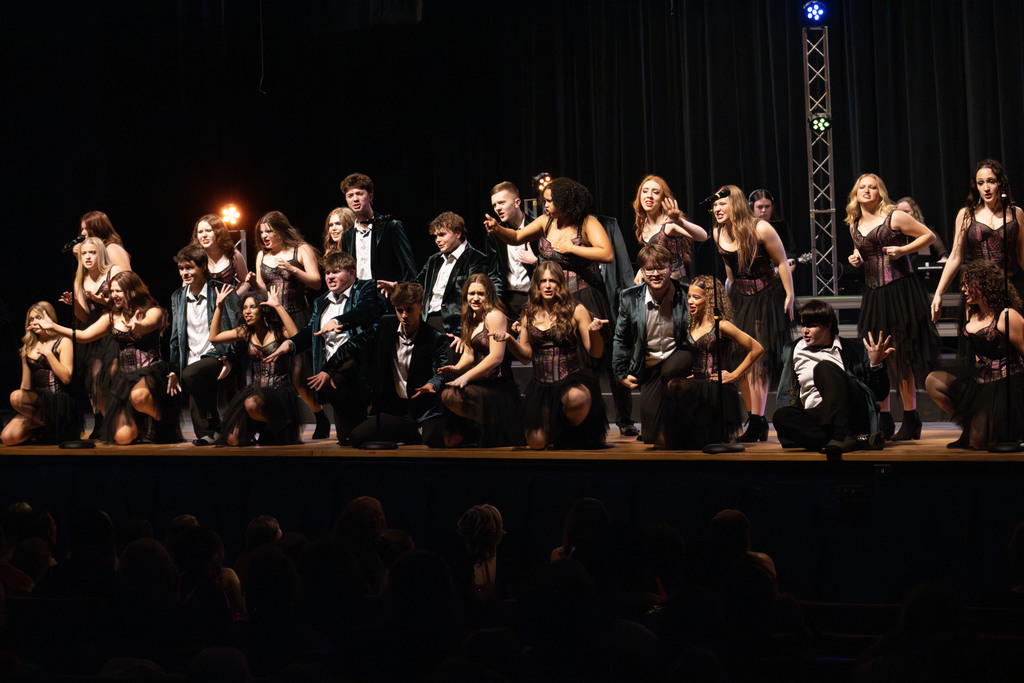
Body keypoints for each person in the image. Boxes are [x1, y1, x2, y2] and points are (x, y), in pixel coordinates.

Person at [485, 176, 635, 437]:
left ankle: (620, 420)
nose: (545, 205)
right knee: (572, 359)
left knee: (599, 359)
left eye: (550, 201)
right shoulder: (546, 222)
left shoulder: (586, 223)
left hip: (585, 294)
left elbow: (606, 254)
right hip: (555, 300)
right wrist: (497, 230)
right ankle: (568, 420)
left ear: (565, 201)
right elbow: (518, 236)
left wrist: (571, 249)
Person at [846, 173, 939, 441]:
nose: (867, 190)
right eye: (862, 187)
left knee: (901, 354)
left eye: (872, 187)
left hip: (900, 290)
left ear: (880, 192)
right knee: (877, 354)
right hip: (874, 294)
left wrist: (903, 250)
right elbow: (862, 251)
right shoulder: (854, 222)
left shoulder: (894, 217)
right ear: (856, 193)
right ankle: (884, 418)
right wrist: (856, 258)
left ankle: (911, 418)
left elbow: (928, 236)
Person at [39, 271, 182, 444]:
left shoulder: (153, 311)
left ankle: (164, 418)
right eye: (112, 291)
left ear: (133, 290)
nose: (114, 295)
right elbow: (84, 335)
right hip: (125, 377)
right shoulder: (112, 316)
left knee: (139, 397)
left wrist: (138, 325)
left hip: (149, 371)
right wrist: (53, 326)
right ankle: (139, 426)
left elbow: (148, 325)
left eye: (119, 291)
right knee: (122, 438)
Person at [264, 251, 380, 444]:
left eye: (336, 272)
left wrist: (338, 320)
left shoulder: (366, 288)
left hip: (358, 363)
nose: (330, 277)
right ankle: (360, 431)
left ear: (352, 273)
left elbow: (365, 311)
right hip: (331, 365)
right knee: (346, 438)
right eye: (327, 273)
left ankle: (369, 430)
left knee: (336, 384)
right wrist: (290, 344)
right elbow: (311, 331)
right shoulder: (322, 301)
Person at [711, 185, 795, 442]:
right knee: (739, 359)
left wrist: (790, 295)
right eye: (715, 207)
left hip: (766, 296)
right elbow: (729, 269)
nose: (717, 210)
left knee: (758, 360)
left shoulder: (760, 228)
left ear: (735, 204)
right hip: (739, 297)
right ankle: (755, 418)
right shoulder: (717, 233)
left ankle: (757, 420)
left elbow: (781, 262)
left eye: (722, 205)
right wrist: (727, 298)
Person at [496, 261, 608, 449]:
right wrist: (509, 339)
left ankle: (568, 433)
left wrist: (595, 331)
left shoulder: (576, 309)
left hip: (570, 379)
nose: (548, 285)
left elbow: (595, 352)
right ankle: (555, 433)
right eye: (543, 281)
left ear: (560, 284)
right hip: (542, 386)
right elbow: (525, 357)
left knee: (575, 399)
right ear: (537, 284)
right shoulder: (528, 312)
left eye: (553, 281)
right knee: (535, 442)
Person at [333, 282, 449, 448]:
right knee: (357, 437)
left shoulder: (434, 337)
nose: (404, 315)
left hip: (423, 410)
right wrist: (327, 370)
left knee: (433, 438)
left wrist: (432, 384)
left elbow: (441, 371)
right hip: (396, 409)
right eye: (399, 310)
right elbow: (354, 345)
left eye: (409, 310)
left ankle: (415, 432)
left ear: (421, 308)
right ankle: (409, 432)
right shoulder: (386, 328)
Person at [925, 260, 1024, 449]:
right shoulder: (972, 314)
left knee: (978, 443)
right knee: (933, 381)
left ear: (986, 284)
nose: (963, 289)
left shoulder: (1006, 316)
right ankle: (973, 424)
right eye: (962, 284)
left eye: (968, 284)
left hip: (1006, 386)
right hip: (979, 383)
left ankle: (997, 428)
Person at [773, 300, 892, 456]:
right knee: (781, 416)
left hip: (851, 413)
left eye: (811, 326)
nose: (805, 331)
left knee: (823, 368)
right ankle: (852, 439)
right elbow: (786, 390)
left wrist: (876, 365)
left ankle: (842, 433)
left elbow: (879, 394)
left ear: (828, 325)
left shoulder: (853, 349)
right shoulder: (793, 349)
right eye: (803, 325)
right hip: (818, 414)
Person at [660, 274, 763, 449]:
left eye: (696, 297)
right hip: (699, 383)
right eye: (689, 297)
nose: (690, 301)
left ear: (710, 300)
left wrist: (735, 375)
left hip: (717, 386)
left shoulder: (721, 325)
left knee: (675, 387)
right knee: (673, 385)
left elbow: (757, 348)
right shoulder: (693, 324)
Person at [247, 211, 326, 435]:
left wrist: (292, 270)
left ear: (281, 229)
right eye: (261, 232)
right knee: (274, 374)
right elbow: (263, 289)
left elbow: (317, 282)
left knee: (299, 376)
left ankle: (319, 414)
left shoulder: (300, 249)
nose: (265, 236)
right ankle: (276, 423)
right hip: (271, 319)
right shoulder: (262, 255)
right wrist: (254, 283)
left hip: (298, 315)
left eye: (269, 230)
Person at [611, 245, 693, 444]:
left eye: (661, 268)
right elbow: (621, 338)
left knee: (673, 373)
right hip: (651, 367)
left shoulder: (686, 294)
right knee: (651, 438)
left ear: (670, 268)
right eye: (649, 269)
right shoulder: (629, 298)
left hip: (679, 361)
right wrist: (620, 372)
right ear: (642, 271)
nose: (655, 274)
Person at [930, 159, 1024, 331]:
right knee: (983, 343)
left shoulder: (1016, 213)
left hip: (1011, 286)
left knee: (1014, 344)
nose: (986, 188)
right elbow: (955, 258)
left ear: (1000, 183)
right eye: (981, 183)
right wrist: (939, 293)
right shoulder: (966, 215)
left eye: (991, 181)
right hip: (978, 291)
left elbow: (1022, 256)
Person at [167, 244, 241, 446]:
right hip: (192, 358)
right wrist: (173, 369)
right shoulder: (177, 297)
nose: (185, 273)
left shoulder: (223, 289)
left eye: (190, 268)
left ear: (203, 267)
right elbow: (175, 336)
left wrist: (230, 357)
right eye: (182, 268)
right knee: (190, 375)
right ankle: (210, 432)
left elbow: (238, 326)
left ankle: (215, 428)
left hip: (218, 354)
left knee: (192, 374)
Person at [209, 287, 301, 446]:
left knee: (251, 404)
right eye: (244, 307)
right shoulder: (246, 332)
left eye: (252, 306)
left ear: (263, 309)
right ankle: (265, 429)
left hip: (278, 392)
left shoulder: (278, 331)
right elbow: (214, 336)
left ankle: (283, 423)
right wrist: (219, 307)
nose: (247, 311)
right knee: (233, 440)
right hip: (256, 390)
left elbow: (296, 337)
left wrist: (278, 307)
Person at [439, 274, 523, 447]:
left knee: (455, 393)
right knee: (448, 393)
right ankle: (484, 428)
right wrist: (456, 370)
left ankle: (496, 426)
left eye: (480, 293)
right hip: (482, 384)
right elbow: (469, 355)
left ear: (489, 295)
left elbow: (496, 357)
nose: (475, 298)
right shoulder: (470, 319)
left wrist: (466, 376)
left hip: (499, 386)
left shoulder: (494, 316)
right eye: (471, 294)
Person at [380, 211, 494, 335]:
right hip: (427, 320)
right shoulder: (434, 260)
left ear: (458, 233)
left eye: (442, 235)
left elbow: (476, 299)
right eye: (435, 236)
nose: (437, 240)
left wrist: (462, 331)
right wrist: (397, 287)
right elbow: (417, 285)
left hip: (456, 325)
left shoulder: (476, 259)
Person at [60, 236, 123, 438]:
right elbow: (83, 315)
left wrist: (103, 301)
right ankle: (99, 420)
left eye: (92, 252)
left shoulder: (114, 272)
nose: (87, 257)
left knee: (107, 372)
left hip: (112, 329)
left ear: (101, 254)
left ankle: (116, 417)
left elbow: (125, 303)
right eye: (84, 253)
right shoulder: (80, 277)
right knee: (91, 377)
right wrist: (76, 302)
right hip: (91, 331)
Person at [2, 302, 79, 445]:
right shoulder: (27, 348)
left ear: (49, 319)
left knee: (15, 396)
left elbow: (66, 378)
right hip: (38, 405)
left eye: (38, 317)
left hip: (59, 401)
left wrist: (49, 354)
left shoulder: (63, 342)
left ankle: (54, 424)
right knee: (8, 437)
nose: (34, 322)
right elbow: (25, 386)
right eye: (31, 319)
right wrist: (21, 405)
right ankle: (49, 427)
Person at [338, 172, 418, 287]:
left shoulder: (391, 227)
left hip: (384, 296)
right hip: (357, 297)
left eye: (359, 194)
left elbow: (409, 271)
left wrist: (397, 288)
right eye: (350, 195)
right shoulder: (347, 235)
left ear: (370, 196)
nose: (355, 199)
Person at [630, 175, 707, 284]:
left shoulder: (669, 224)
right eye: (645, 191)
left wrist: (679, 221)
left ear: (662, 198)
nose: (649, 196)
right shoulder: (643, 223)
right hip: (655, 284)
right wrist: (642, 270)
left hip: (676, 286)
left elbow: (702, 236)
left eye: (655, 192)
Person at [484, 181, 538, 318]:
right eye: (494, 205)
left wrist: (536, 262)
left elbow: (553, 264)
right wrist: (496, 303)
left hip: (535, 299)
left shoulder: (536, 227)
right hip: (508, 301)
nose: (497, 208)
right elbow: (494, 272)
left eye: (502, 203)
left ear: (517, 202)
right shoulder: (494, 234)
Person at [192, 214, 250, 296]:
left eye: (208, 230)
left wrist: (233, 297)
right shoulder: (196, 257)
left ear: (218, 232)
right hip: (204, 306)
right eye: (200, 232)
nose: (204, 235)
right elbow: (186, 285)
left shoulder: (233, 254)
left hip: (227, 307)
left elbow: (246, 281)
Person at [895, 197, 948, 262]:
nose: (903, 215)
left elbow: (942, 252)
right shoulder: (894, 232)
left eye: (906, 211)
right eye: (900, 213)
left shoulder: (926, 230)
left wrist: (944, 258)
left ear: (915, 212)